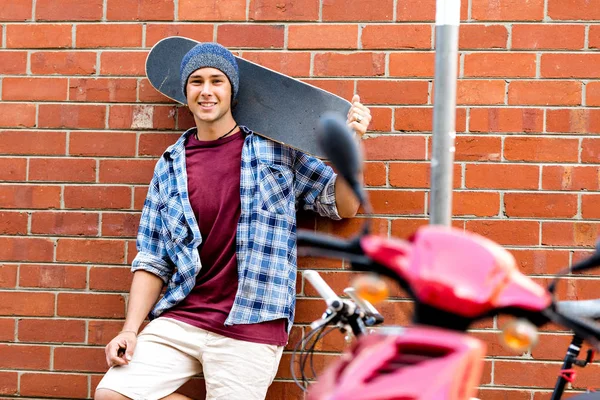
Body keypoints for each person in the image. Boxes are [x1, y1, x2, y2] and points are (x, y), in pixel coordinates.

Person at [95, 42, 372, 400]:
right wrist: (131, 329)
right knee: (113, 394)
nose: (206, 91)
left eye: (217, 81)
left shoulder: (275, 151)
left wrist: (353, 146)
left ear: (232, 91)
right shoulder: (170, 165)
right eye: (196, 81)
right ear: (185, 91)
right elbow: (152, 258)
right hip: (184, 316)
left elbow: (343, 204)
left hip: (253, 322)